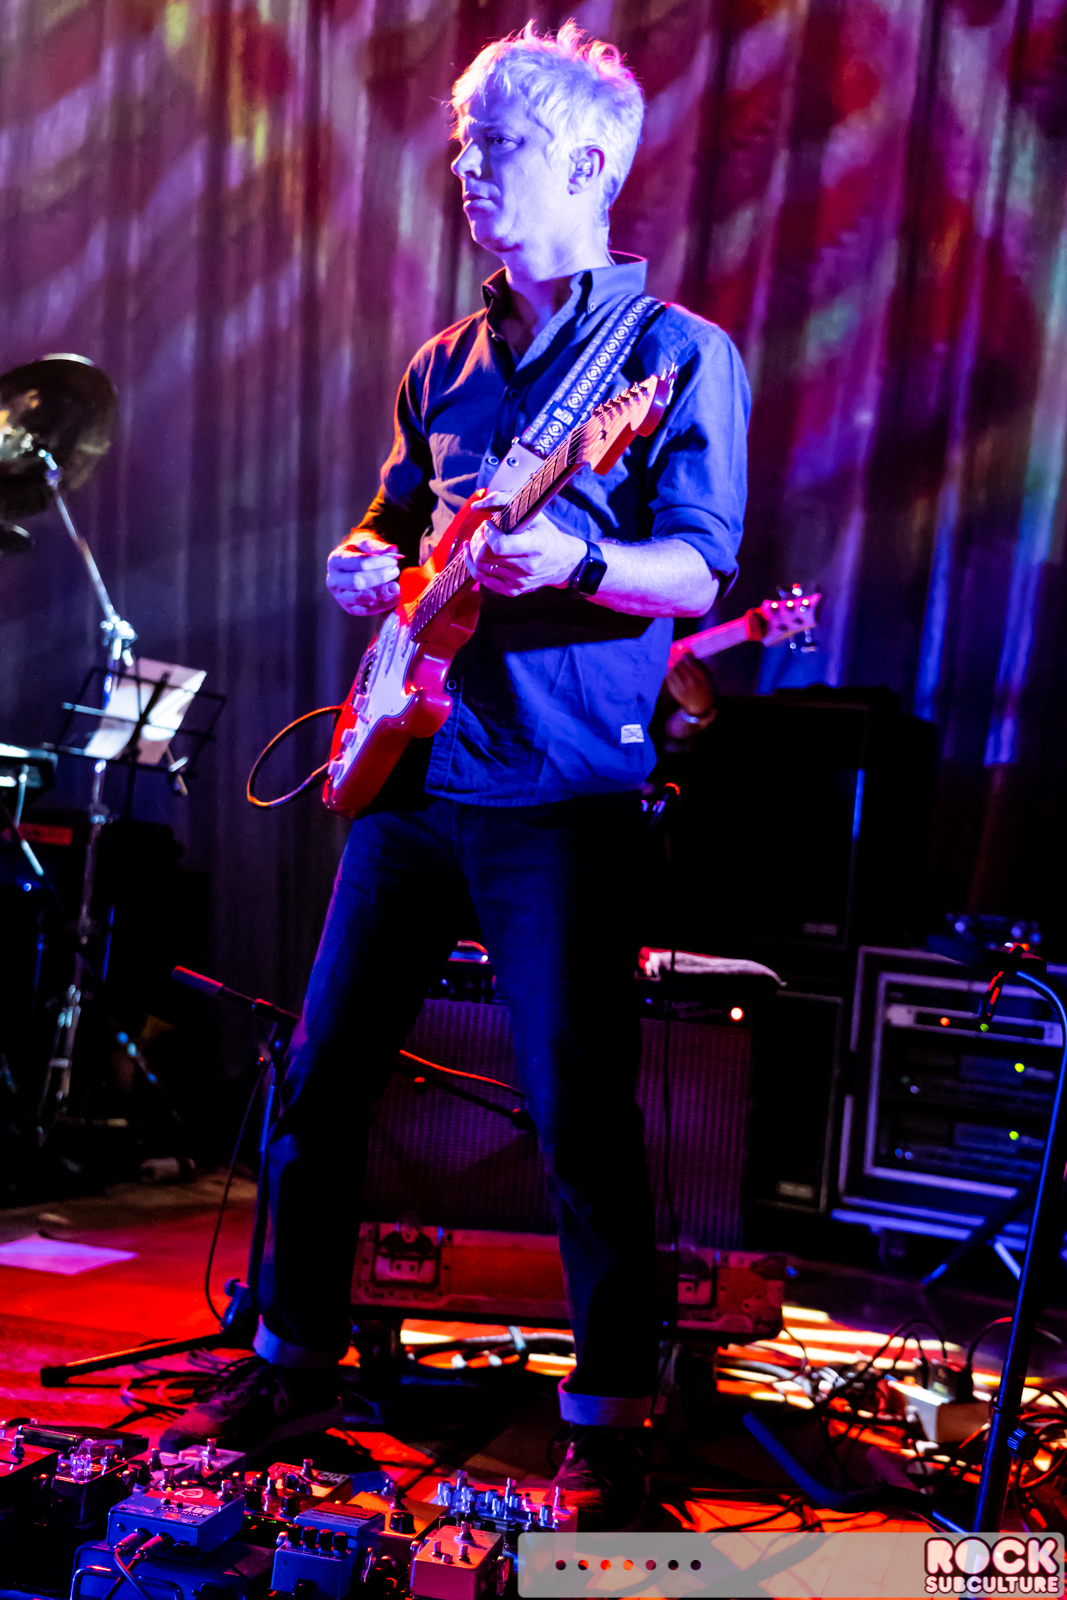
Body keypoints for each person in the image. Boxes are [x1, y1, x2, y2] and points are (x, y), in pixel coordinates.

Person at [162, 19, 749, 1530]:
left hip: (560, 792)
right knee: (319, 1078)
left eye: (499, 147)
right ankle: (295, 1360)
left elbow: (700, 569)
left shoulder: (677, 357)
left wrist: (582, 560)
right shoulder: (446, 361)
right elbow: (390, 523)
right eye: (463, 146)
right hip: (417, 775)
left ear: (591, 164)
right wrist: (363, 565)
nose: (468, 170)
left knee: (579, 1116)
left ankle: (608, 1418)